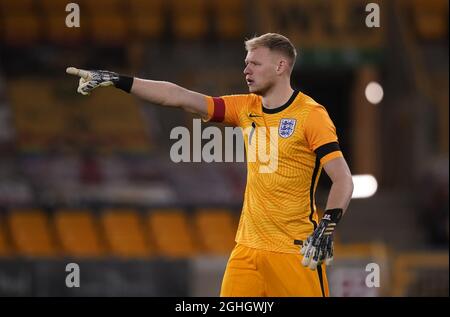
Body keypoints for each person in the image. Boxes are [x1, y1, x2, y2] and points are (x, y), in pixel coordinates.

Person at [67, 33, 354, 297]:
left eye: (255, 63)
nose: (246, 70)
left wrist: (327, 225)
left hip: (294, 252)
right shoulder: (245, 107)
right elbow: (177, 96)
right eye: (245, 63)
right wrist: (117, 80)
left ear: (280, 67)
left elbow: (343, 179)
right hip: (246, 251)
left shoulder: (311, 115)